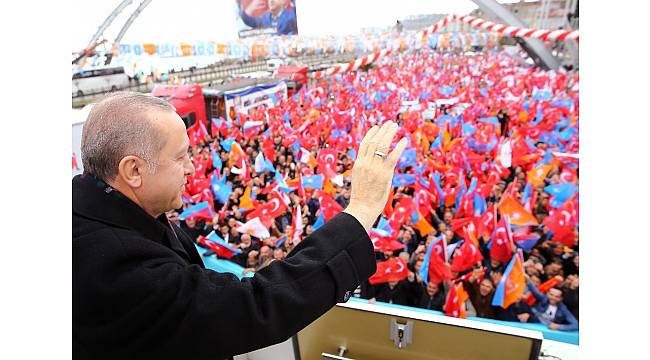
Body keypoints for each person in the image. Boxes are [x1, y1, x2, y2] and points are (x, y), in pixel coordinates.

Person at [73, 92, 407, 359]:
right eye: (180, 157)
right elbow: (252, 307)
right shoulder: (111, 263)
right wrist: (361, 210)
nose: (192, 167)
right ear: (133, 171)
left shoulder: (104, 213)